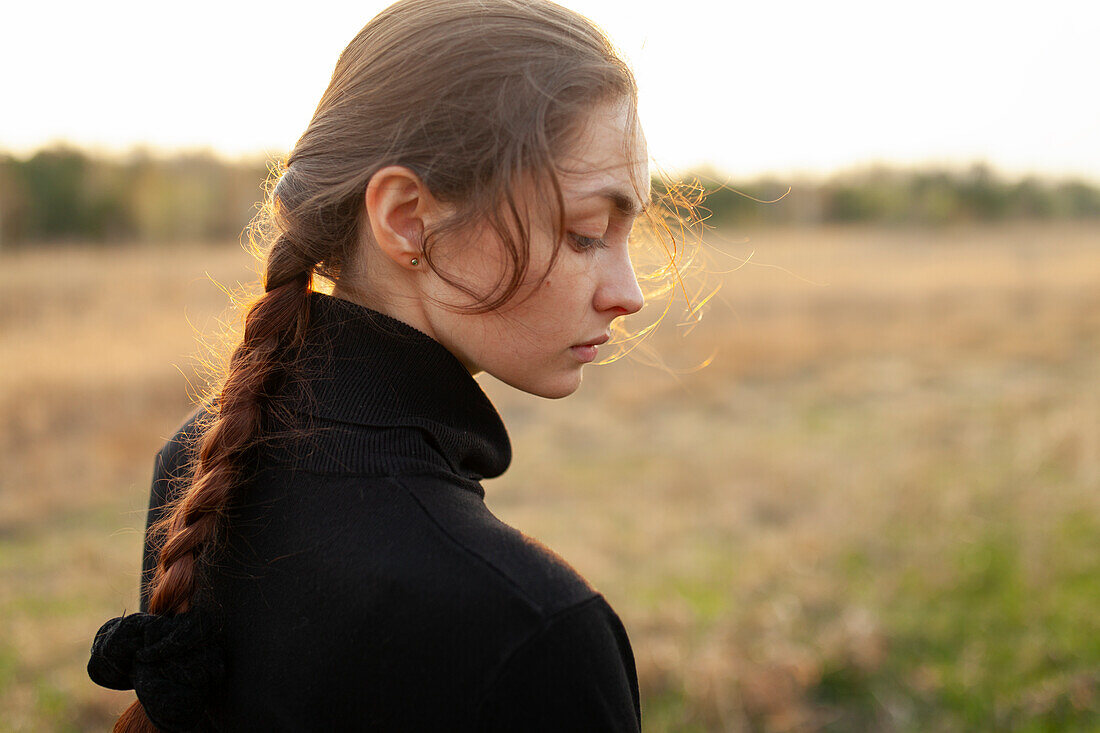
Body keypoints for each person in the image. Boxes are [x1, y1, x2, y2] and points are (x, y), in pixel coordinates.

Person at [88, 0, 670, 729]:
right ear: (406, 218)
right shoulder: (531, 629)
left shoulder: (199, 455)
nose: (630, 294)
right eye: (586, 234)